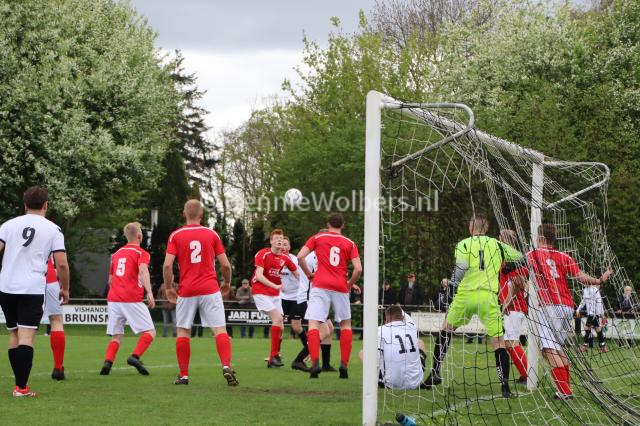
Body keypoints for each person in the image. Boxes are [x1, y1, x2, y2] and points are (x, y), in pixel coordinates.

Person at [422, 214, 522, 398]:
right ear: (486, 229)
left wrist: (448, 293)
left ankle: (435, 373)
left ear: (470, 228)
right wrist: (509, 267)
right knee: (498, 342)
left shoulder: (464, 244)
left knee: (446, 330)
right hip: (488, 297)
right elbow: (522, 259)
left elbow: (460, 268)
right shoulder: (497, 244)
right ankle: (505, 387)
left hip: (465, 295)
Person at [527, 223, 612, 400]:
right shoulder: (564, 256)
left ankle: (564, 391)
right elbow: (580, 276)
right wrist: (598, 280)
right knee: (557, 349)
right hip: (567, 307)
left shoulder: (533, 254)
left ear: (540, 237)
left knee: (548, 350)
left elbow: (519, 265)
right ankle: (564, 389)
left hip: (549, 306)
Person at [0, 186, 69, 397]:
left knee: (14, 333)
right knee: (27, 335)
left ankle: (20, 382)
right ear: (46, 205)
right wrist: (65, 288)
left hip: (6, 286)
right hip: (31, 287)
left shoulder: (8, 225)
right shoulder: (53, 229)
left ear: (25, 204)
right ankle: (21, 387)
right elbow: (62, 264)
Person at [162, 199, 238, 386]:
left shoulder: (176, 235)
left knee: (183, 331)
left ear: (184, 214)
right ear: (202, 215)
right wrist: (227, 282)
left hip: (187, 290)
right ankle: (226, 366)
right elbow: (225, 265)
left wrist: (169, 287)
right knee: (219, 329)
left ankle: (184, 375)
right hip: (210, 288)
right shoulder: (211, 234)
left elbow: (167, 265)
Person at [297, 212, 363, 379]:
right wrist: (349, 284)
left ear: (327, 224)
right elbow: (358, 269)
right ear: (343, 225)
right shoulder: (350, 243)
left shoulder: (317, 238)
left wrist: (309, 274)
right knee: (346, 325)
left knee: (313, 324)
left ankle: (315, 364)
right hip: (340, 286)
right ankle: (344, 365)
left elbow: (300, 257)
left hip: (320, 285)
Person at [100, 222, 156, 376]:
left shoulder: (116, 254)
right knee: (150, 331)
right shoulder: (141, 253)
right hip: (131, 298)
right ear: (139, 236)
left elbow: (110, 279)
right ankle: (135, 357)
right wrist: (149, 292)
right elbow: (143, 271)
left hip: (114, 298)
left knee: (116, 335)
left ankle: (107, 363)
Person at [251, 229, 299, 368]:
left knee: (281, 326)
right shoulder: (263, 254)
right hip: (260, 291)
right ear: (271, 241)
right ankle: (274, 356)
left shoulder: (285, 258)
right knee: (277, 319)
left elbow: (298, 274)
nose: (279, 240)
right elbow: (259, 275)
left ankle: (273, 357)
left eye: (281, 238)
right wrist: (275, 286)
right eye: (276, 238)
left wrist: (311, 285)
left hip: (275, 294)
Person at [359, 304, 425, 390]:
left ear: (386, 319)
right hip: (416, 381)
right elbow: (403, 314)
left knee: (362, 353)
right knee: (420, 342)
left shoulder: (379, 330)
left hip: (391, 383)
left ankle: (374, 380)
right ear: (402, 317)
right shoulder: (411, 326)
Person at [296, 245, 337, 372]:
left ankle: (326, 365)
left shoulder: (319, 256)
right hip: (311, 297)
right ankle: (299, 360)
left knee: (329, 328)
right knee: (324, 331)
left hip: (317, 296)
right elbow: (317, 277)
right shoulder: (313, 257)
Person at [498, 230, 529, 385]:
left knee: (510, 342)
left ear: (505, 240)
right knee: (509, 343)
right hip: (512, 306)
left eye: (500, 238)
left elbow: (518, 282)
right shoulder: (509, 258)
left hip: (514, 306)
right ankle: (525, 375)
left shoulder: (515, 258)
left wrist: (506, 303)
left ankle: (528, 375)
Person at [280, 236, 310, 371]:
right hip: (281, 297)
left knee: (296, 326)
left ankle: (307, 349)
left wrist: (292, 270)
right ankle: (275, 354)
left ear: (289, 247)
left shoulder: (294, 260)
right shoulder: (275, 259)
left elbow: (301, 276)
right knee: (278, 325)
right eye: (281, 244)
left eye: (285, 244)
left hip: (296, 297)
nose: (283, 247)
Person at [42, 256, 67, 380]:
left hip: (19, 281)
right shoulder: (54, 239)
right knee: (56, 320)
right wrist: (64, 287)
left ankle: (20, 374)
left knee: (22, 327)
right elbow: (62, 264)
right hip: (49, 279)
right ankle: (58, 368)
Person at [577, 283, 607, 353]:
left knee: (587, 328)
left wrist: (600, 314)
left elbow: (600, 303)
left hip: (594, 314)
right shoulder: (585, 290)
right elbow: (583, 301)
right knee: (598, 329)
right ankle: (603, 346)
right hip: (590, 314)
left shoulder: (595, 290)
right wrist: (578, 309)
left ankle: (585, 346)